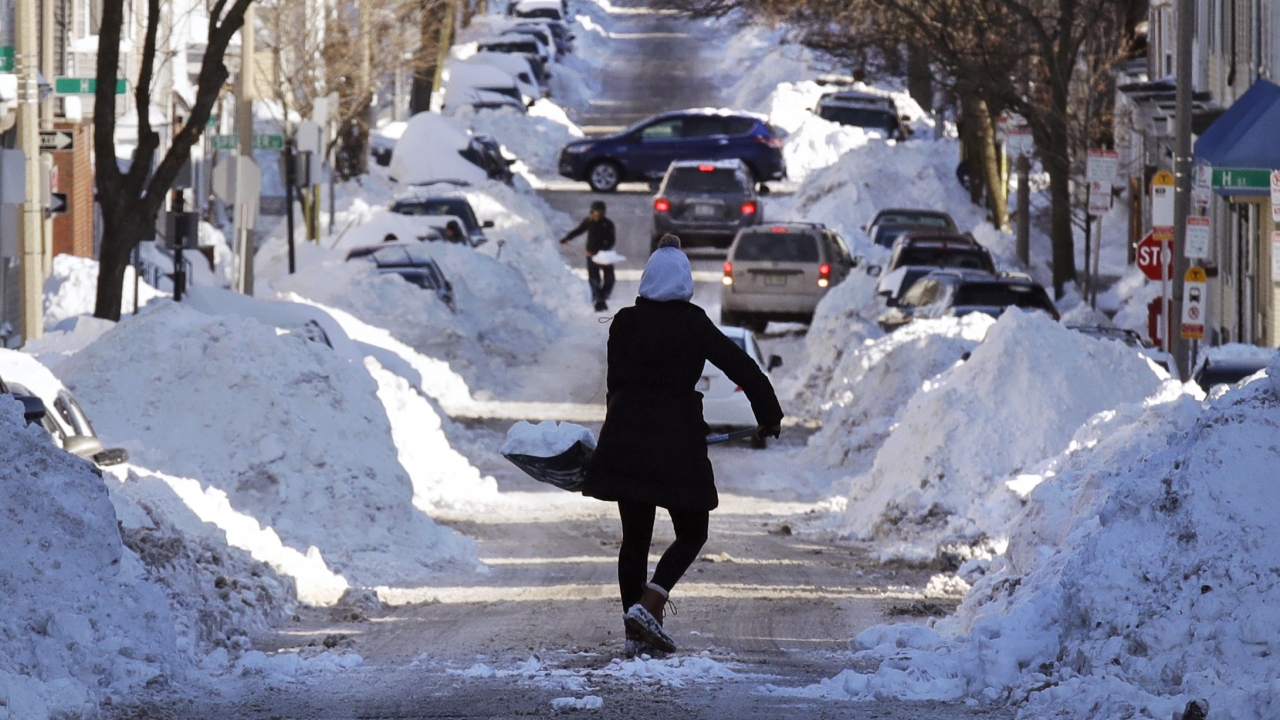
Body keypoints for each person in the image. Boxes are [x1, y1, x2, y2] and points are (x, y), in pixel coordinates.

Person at [583, 235, 783, 657]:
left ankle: (634, 632)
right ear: (685, 282)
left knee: (634, 538)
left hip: (626, 436)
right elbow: (741, 365)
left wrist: (615, 429)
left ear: (647, 279)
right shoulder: (693, 323)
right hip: (677, 441)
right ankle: (650, 602)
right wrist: (768, 414)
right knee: (693, 529)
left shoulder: (623, 322)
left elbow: (614, 383)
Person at [559, 200, 617, 312]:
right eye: (596, 211)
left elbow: (612, 240)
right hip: (592, 253)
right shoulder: (589, 222)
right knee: (594, 278)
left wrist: (604, 248)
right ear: (592, 211)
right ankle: (597, 299)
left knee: (609, 278)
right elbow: (578, 231)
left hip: (605, 254)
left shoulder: (608, 224)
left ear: (604, 212)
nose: (598, 214)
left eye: (600, 212)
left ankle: (603, 297)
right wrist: (567, 238)